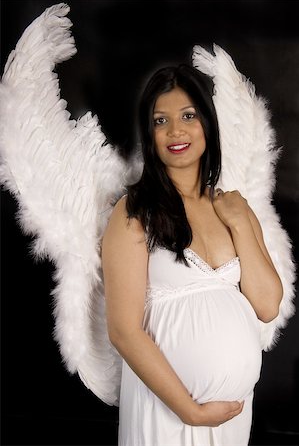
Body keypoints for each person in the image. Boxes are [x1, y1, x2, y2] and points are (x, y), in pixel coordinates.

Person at [101, 64, 283, 446]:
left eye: (188, 116)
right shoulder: (134, 211)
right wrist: (189, 410)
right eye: (160, 121)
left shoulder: (233, 207)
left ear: (207, 124)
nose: (175, 131)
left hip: (231, 417)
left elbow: (266, 305)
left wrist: (241, 223)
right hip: (167, 410)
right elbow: (123, 329)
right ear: (149, 134)